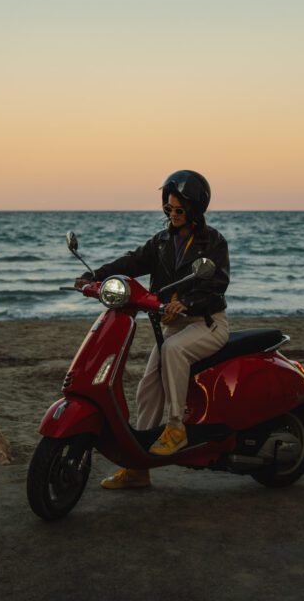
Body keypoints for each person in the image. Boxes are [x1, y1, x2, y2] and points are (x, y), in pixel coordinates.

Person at [74, 169, 230, 490]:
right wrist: (95, 277)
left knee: (172, 351)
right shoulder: (161, 242)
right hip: (173, 328)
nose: (172, 215)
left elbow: (217, 283)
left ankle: (176, 428)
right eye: (168, 209)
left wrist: (185, 302)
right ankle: (137, 468)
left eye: (179, 210)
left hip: (207, 324)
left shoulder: (212, 241)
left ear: (195, 211)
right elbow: (132, 262)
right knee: (147, 386)